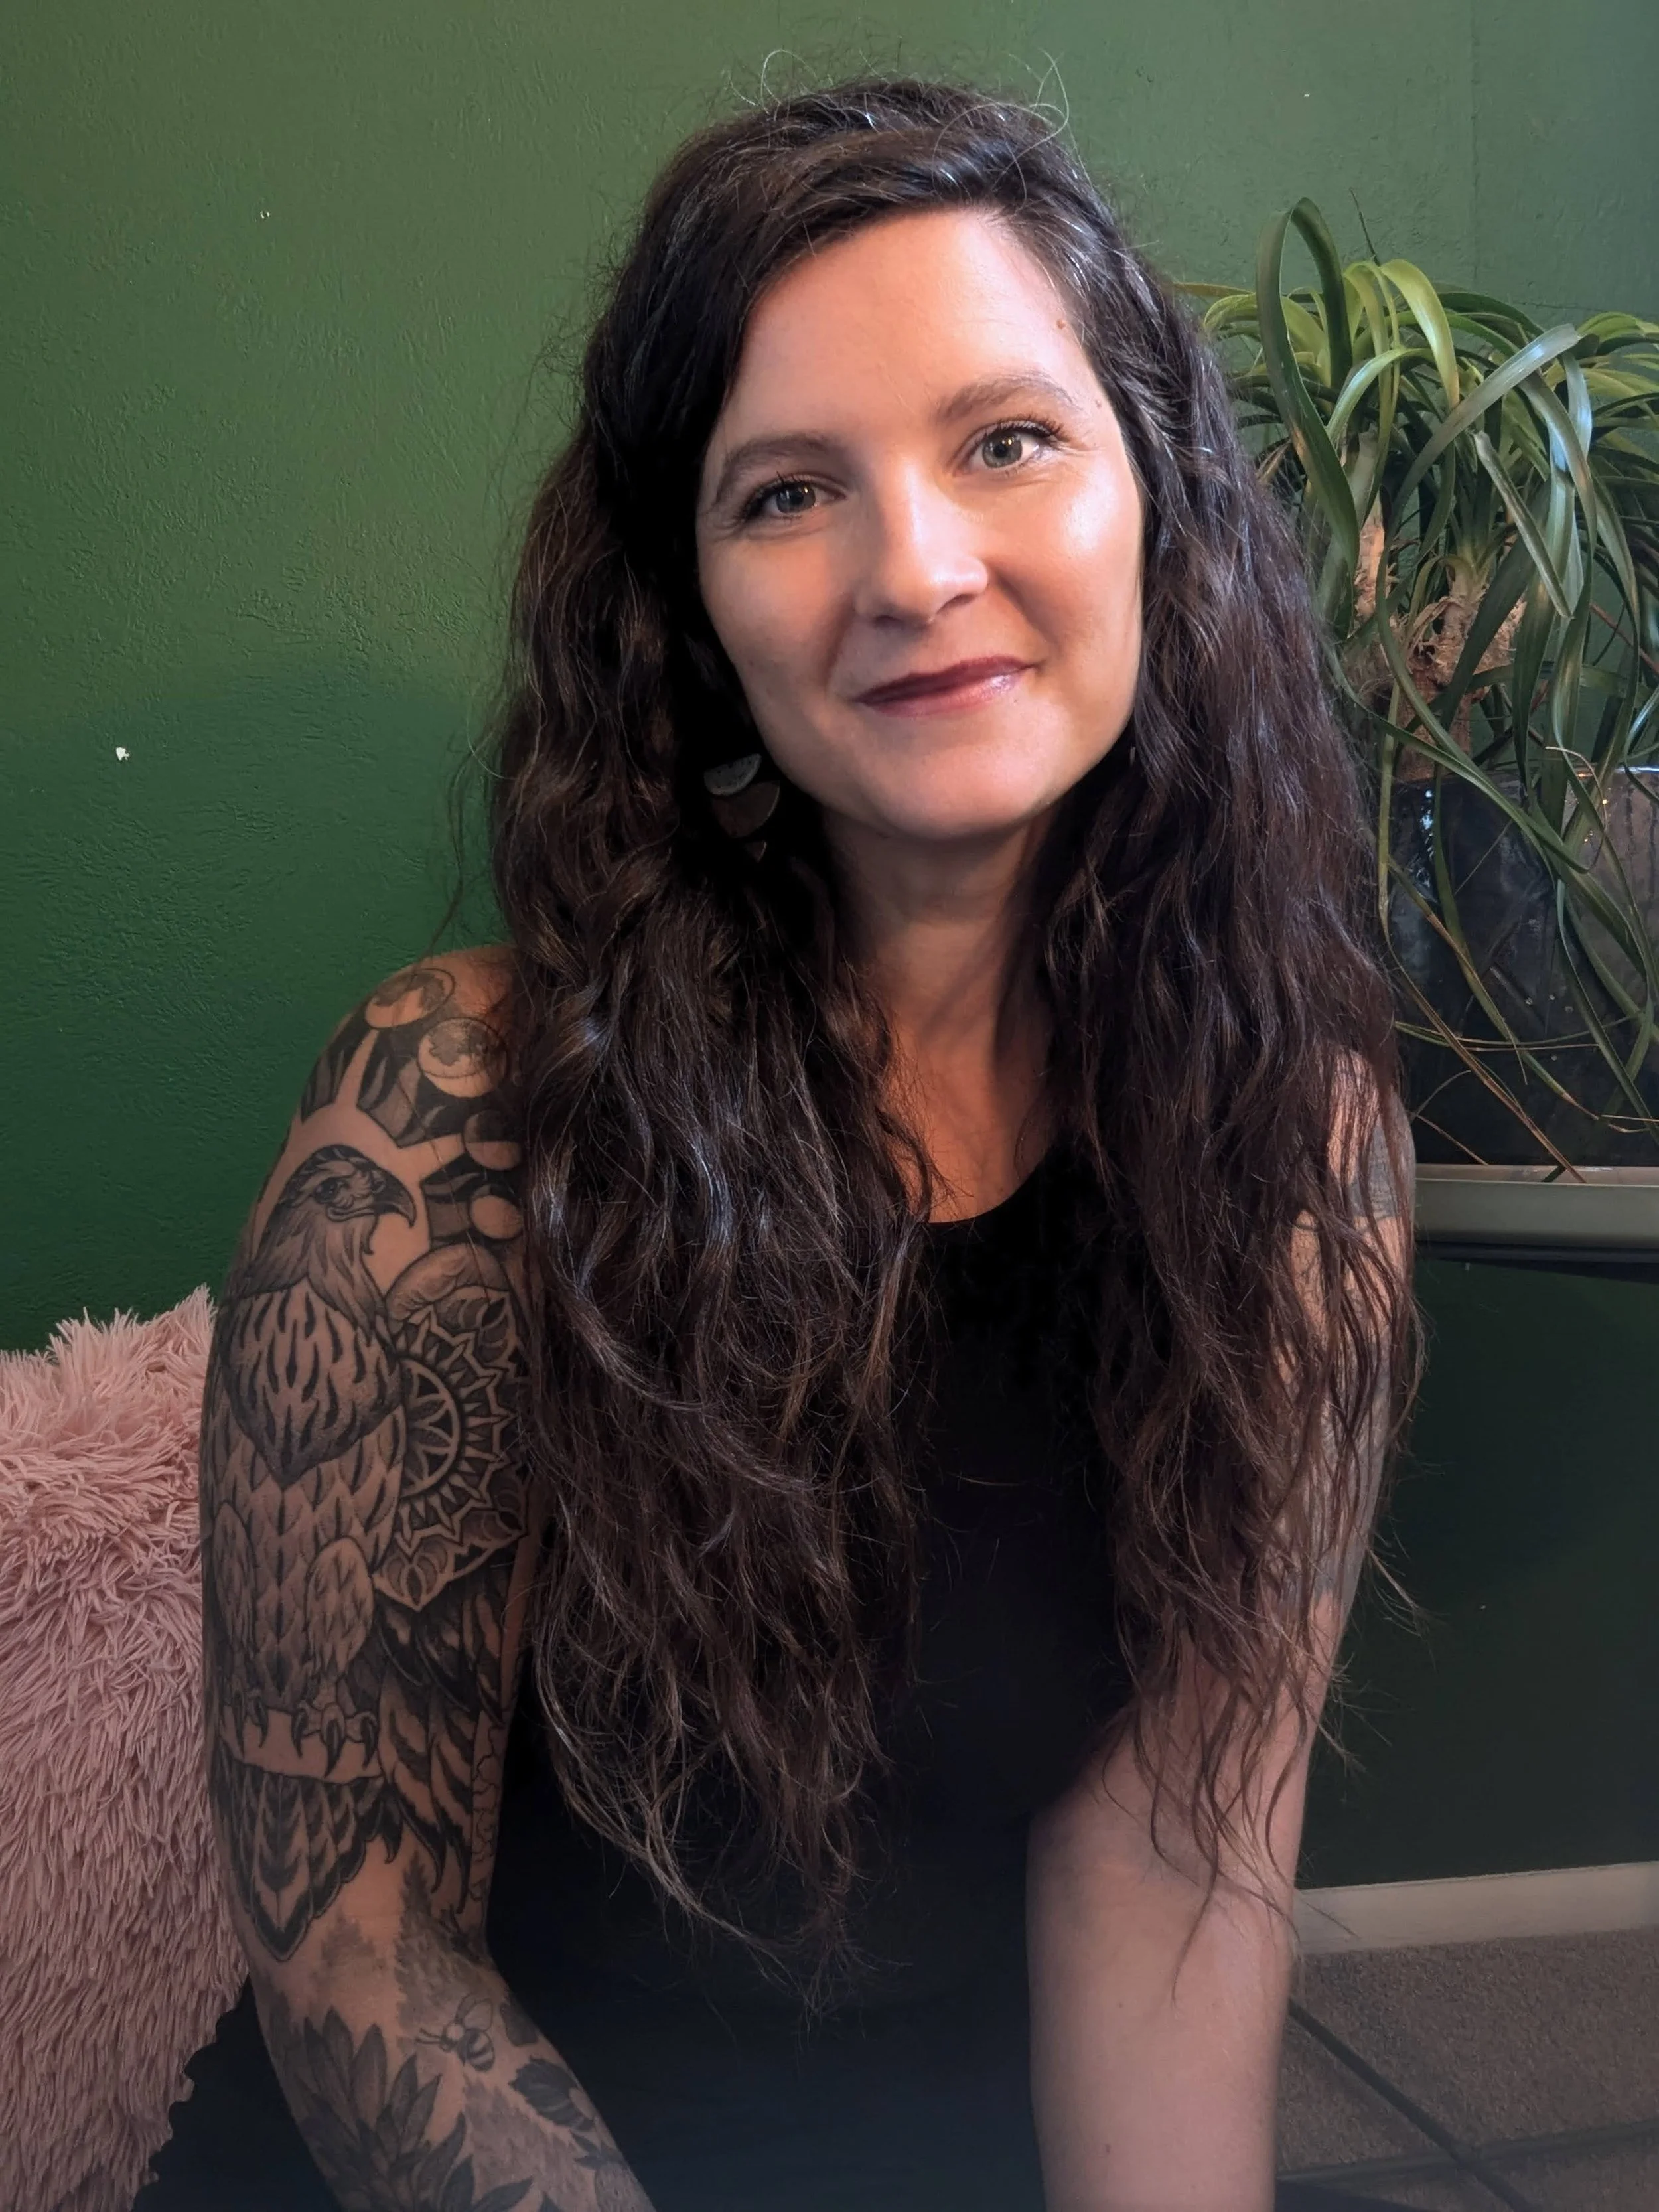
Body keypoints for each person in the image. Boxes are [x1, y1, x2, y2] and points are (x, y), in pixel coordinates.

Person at [137, 76, 1417, 2212]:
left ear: (1156, 502)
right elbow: (364, 1962)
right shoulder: (448, 1116)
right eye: (787, 491)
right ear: (695, 616)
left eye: (1006, 439)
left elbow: (1176, 1878)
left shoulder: (1297, 1162)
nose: (917, 567)